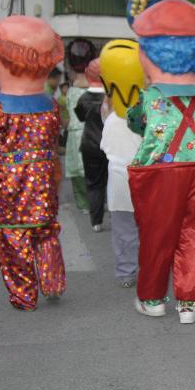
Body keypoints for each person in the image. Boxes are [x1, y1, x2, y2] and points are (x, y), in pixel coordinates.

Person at [127, 0, 195, 324]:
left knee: (158, 233)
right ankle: (188, 303)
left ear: (150, 53)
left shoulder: (150, 98)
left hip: (161, 169)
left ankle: (153, 298)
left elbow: (135, 121)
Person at [0, 15, 66, 311]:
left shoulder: (0, 107)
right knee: (46, 231)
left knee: (14, 237)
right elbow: (55, 132)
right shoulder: (50, 104)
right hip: (42, 178)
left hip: (12, 185)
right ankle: (52, 281)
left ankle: (25, 295)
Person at [99, 39, 145, 288]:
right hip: (146, 180)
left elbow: (105, 148)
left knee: (124, 231)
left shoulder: (111, 120)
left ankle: (127, 272)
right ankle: (148, 269)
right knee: (147, 229)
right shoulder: (148, 118)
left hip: (118, 183)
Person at [75, 58, 108, 233]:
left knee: (94, 183)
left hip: (89, 144)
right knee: (112, 180)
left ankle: (96, 221)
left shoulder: (84, 98)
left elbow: (81, 117)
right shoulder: (112, 96)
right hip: (110, 144)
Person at [64, 38, 96, 214]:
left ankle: (85, 203)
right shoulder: (93, 87)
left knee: (78, 170)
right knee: (92, 167)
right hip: (91, 130)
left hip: (78, 131)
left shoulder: (73, 88)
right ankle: (95, 199)